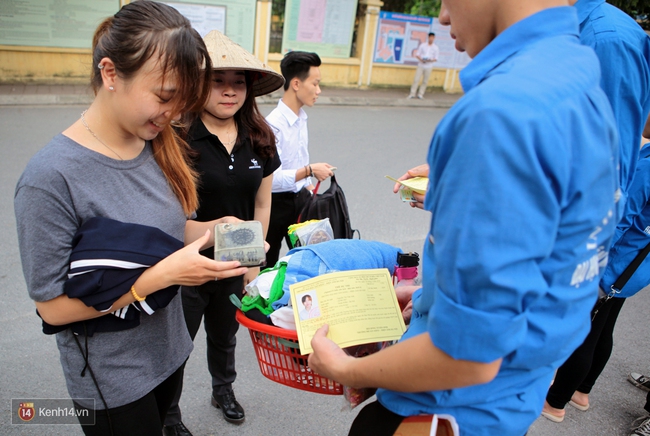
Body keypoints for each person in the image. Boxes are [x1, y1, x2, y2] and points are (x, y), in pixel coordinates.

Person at [307, 0, 619, 434]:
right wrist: (433, 296)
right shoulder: (585, 82)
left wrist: (347, 369)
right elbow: (547, 255)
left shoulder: (499, 113)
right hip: (507, 406)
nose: (443, 17)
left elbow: (466, 357)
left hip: (440, 413)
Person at [13, 2, 249, 435]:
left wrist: (216, 232)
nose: (174, 113)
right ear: (109, 73)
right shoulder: (51, 178)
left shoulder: (159, 145)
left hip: (170, 351)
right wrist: (158, 278)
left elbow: (169, 231)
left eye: (183, 101)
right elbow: (51, 308)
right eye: (164, 97)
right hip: (113, 380)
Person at [162, 30, 284, 435]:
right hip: (188, 264)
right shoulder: (176, 140)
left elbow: (263, 205)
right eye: (218, 80)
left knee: (225, 334)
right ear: (199, 85)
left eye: (238, 82)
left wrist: (253, 263)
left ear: (250, 89)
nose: (229, 91)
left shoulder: (260, 139)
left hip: (235, 262)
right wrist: (212, 231)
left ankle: (223, 390)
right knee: (177, 344)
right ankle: (168, 413)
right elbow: (166, 218)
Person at [542, 0, 650, 422]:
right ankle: (575, 392)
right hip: (622, 262)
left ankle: (557, 400)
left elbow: (606, 180)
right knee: (600, 326)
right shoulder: (571, 29)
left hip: (603, 256)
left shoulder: (607, 39)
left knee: (589, 327)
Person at [265, 51, 336, 268]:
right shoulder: (273, 125)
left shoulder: (300, 118)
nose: (318, 90)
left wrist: (307, 183)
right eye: (315, 84)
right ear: (296, 83)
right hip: (274, 205)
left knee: (312, 260)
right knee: (267, 265)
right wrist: (309, 170)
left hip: (301, 199)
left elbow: (299, 158)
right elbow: (271, 180)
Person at [408, 32, 439, 99]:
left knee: (425, 81)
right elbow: (417, 54)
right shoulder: (423, 45)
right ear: (428, 37)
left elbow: (436, 58)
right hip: (421, 65)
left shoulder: (435, 48)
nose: (431, 39)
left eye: (432, 37)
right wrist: (421, 60)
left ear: (434, 38)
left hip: (429, 66)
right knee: (416, 79)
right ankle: (412, 93)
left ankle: (420, 94)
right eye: (430, 37)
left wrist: (430, 60)